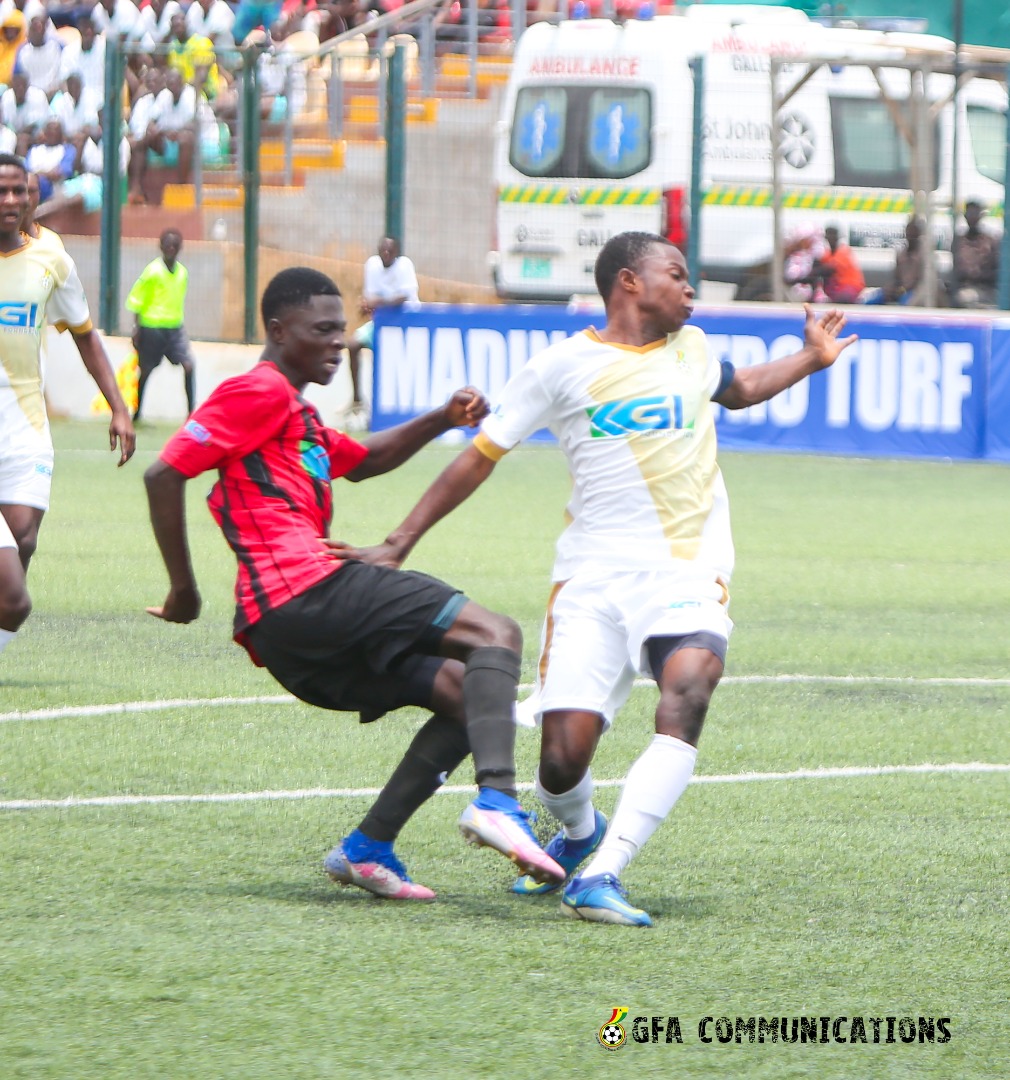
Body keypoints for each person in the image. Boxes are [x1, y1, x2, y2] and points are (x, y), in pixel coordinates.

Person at [330, 232, 858, 926]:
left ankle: (603, 870)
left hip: (687, 567)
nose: (690, 287)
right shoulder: (561, 367)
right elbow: (480, 457)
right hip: (592, 579)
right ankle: (579, 836)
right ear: (629, 283)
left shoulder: (694, 351)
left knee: (691, 684)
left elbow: (740, 387)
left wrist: (812, 360)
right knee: (560, 760)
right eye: (677, 274)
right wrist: (399, 540)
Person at [143, 266, 564, 900]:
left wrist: (441, 417)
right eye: (324, 330)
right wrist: (184, 589)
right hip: (305, 591)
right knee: (494, 632)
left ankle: (367, 847)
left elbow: (364, 462)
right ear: (279, 331)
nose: (340, 341)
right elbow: (163, 473)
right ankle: (499, 802)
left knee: (466, 696)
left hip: (286, 632)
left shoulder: (295, 413)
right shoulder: (256, 391)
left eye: (343, 329)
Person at [0, 154, 135, 659]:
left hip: (24, 427)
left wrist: (118, 407)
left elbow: (85, 337)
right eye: (2, 191)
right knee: (13, 589)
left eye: (20, 190)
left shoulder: (51, 258)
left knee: (24, 540)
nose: (11, 201)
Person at [346, 235, 419, 429]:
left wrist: (377, 303)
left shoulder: (404, 266)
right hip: (381, 323)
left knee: (386, 364)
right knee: (353, 344)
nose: (386, 254)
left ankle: (381, 413)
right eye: (383, 250)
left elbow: (405, 297)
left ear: (396, 252)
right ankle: (357, 399)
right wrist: (367, 306)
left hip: (405, 324)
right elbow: (370, 300)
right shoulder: (372, 265)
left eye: (390, 250)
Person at [126, 228, 196, 420]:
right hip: (152, 327)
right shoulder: (152, 272)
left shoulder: (183, 273)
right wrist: (137, 328)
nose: (171, 249)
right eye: (167, 245)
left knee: (189, 365)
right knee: (146, 370)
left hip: (175, 328)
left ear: (180, 248)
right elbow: (137, 299)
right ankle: (137, 412)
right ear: (161, 247)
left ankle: (191, 414)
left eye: (175, 246)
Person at [950, 200, 999, 308]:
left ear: (981, 215)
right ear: (965, 216)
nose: (972, 218)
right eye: (969, 214)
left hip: (986, 289)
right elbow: (957, 269)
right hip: (962, 287)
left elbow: (995, 268)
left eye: (975, 214)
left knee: (965, 298)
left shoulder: (990, 241)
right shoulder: (959, 241)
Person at [814, 225, 865, 304]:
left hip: (850, 286)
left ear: (838, 237)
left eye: (833, 235)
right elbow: (820, 264)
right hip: (836, 288)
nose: (831, 238)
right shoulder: (827, 253)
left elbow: (830, 268)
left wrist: (814, 271)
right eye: (829, 235)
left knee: (842, 300)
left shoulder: (844, 250)